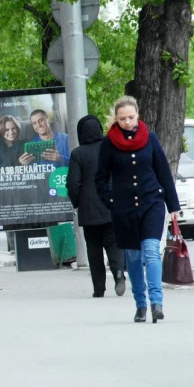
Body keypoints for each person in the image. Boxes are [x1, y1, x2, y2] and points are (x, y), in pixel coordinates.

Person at [95, 96, 180, 323]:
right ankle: (140, 304)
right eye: (122, 118)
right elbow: (101, 179)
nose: (127, 122)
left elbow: (163, 172)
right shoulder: (108, 143)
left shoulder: (149, 138)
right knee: (133, 257)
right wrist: (111, 202)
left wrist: (173, 206)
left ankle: (156, 302)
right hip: (123, 209)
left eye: (131, 117)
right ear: (116, 118)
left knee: (151, 251)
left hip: (151, 202)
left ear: (138, 115)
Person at [66, 115, 126, 298]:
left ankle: (98, 288)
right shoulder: (111, 147)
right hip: (112, 205)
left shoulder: (78, 154)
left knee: (94, 249)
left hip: (89, 210)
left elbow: (73, 184)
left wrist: (77, 203)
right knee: (114, 244)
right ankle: (118, 273)